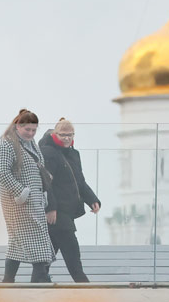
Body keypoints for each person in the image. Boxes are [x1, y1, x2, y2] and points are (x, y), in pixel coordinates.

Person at [0, 109, 55, 283]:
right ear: (17, 126)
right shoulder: (6, 144)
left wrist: (42, 194)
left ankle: (8, 281)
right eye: (27, 129)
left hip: (34, 202)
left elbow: (38, 169)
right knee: (39, 246)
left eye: (34, 130)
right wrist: (21, 192)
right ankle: (39, 285)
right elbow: (2, 173)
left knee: (17, 244)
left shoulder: (31, 143)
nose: (30, 133)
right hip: (17, 203)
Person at [38, 117, 101, 283]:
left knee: (47, 256)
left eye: (70, 135)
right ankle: (85, 286)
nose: (66, 138)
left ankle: (37, 283)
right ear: (55, 134)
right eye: (63, 135)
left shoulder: (74, 154)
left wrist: (92, 199)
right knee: (72, 252)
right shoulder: (48, 152)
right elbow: (45, 183)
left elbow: (80, 181)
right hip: (57, 213)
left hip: (68, 211)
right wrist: (50, 208)